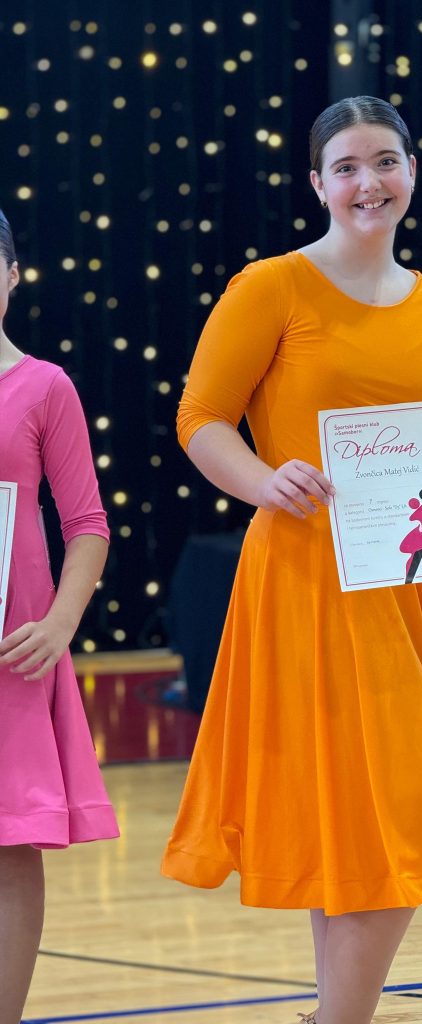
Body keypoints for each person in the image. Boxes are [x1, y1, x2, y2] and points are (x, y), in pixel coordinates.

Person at [161, 96, 422, 1024]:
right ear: (318, 184)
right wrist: (262, 479)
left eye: (385, 161)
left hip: (413, 578)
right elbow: (201, 419)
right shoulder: (270, 286)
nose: (370, 183)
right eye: (348, 167)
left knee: (371, 811)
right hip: (310, 579)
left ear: (412, 173)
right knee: (403, 803)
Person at [0, 208, 119, 1024]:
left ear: (12, 275)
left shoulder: (46, 386)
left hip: (14, 651)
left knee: (10, 848)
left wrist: (58, 624)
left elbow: (87, 524)